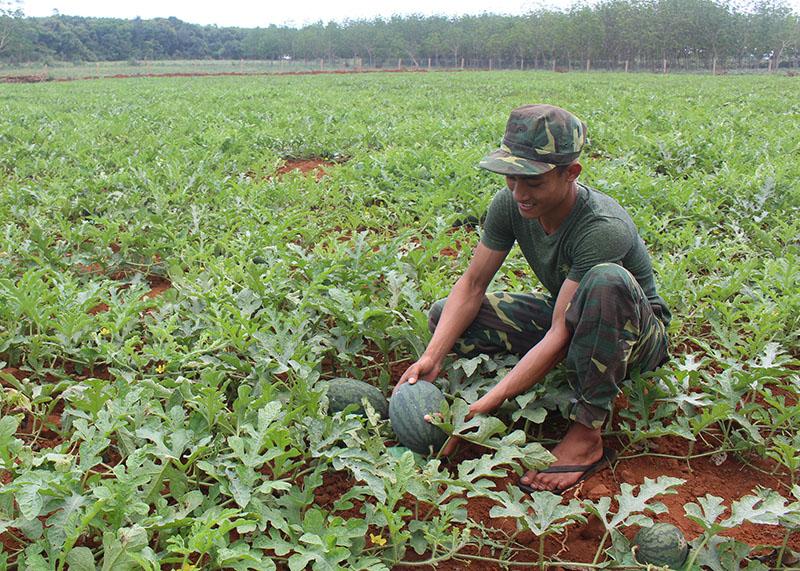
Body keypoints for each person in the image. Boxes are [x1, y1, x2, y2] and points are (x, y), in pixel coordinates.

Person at [394, 104, 670, 494]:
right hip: (571, 314)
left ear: (571, 173)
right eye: (511, 177)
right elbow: (472, 285)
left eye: (534, 182)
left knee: (607, 281)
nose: (520, 193)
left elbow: (560, 331)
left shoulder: (603, 227)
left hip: (634, 335)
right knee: (447, 316)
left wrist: (487, 403)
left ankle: (586, 434)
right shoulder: (511, 204)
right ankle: (543, 372)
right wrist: (432, 355)